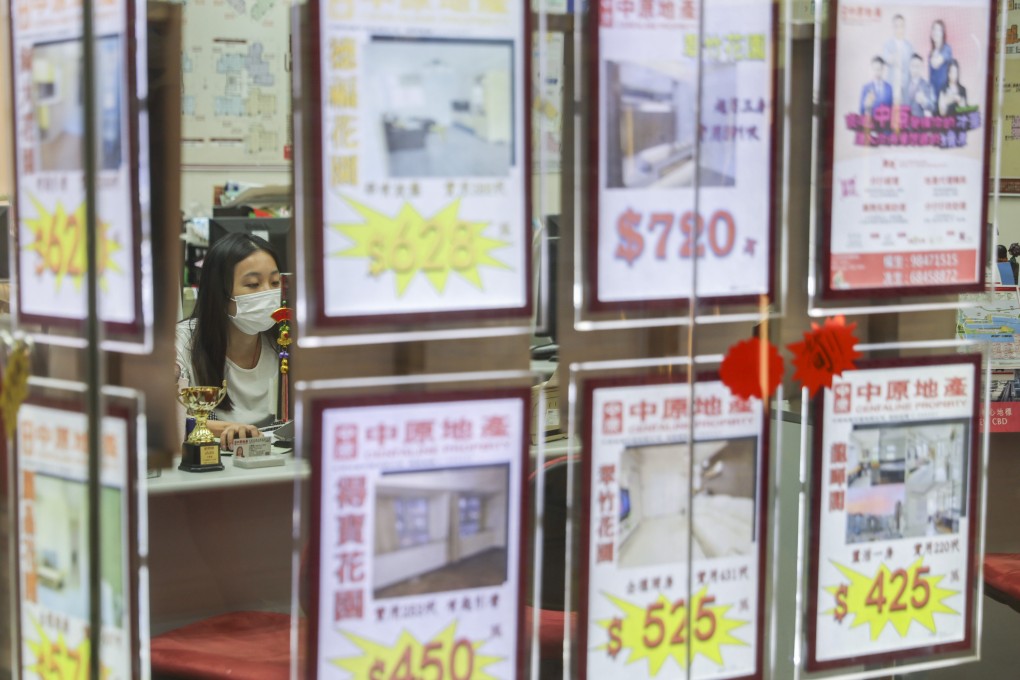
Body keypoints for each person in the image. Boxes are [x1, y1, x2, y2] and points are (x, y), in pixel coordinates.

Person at [175, 232, 282, 450]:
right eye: (253, 284)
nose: (269, 294)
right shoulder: (183, 341)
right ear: (220, 294)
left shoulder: (286, 339)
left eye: (275, 282)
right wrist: (227, 429)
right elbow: (168, 419)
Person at [882, 14, 914, 105]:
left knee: (905, 112)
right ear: (893, 28)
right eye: (896, 26)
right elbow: (887, 60)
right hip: (892, 84)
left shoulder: (909, 46)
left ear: (904, 27)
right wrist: (893, 58)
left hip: (906, 86)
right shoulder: (888, 45)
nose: (899, 29)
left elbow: (912, 66)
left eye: (901, 26)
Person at [928, 19, 953, 94]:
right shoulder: (931, 53)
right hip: (934, 95)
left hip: (946, 94)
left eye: (939, 30)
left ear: (943, 33)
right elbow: (931, 78)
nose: (936, 32)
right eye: (934, 29)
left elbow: (935, 63)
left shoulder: (947, 49)